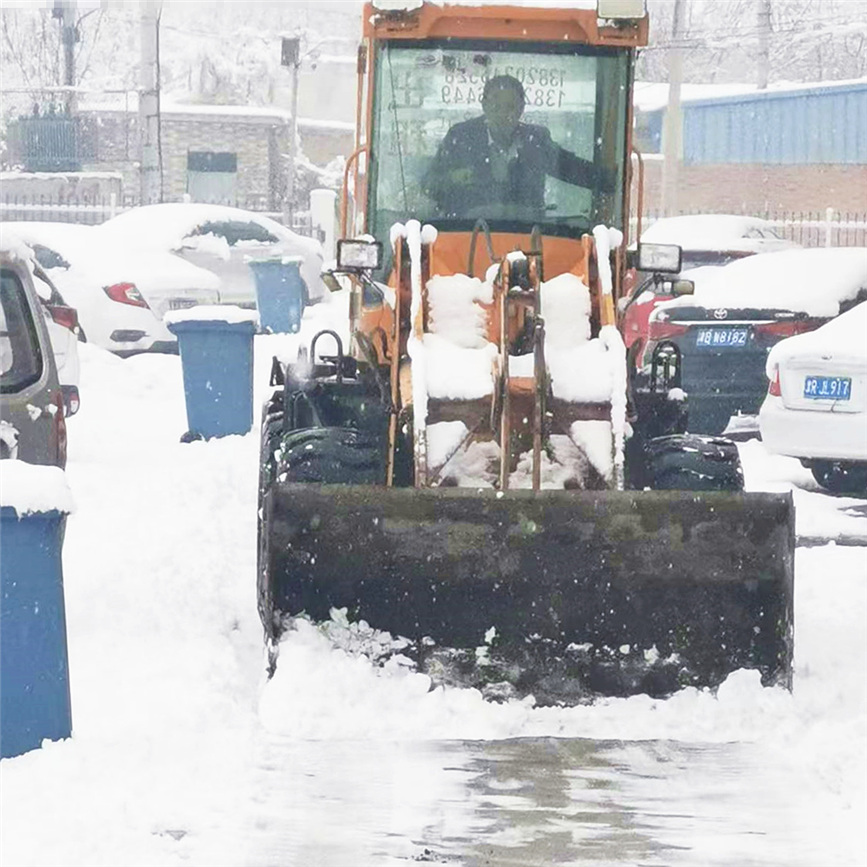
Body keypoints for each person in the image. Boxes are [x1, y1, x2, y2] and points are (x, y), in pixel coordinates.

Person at [424, 75, 612, 219]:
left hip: (531, 237)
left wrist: (612, 181)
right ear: (484, 106)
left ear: (522, 108)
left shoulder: (536, 141)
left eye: (510, 107)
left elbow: (569, 168)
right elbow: (428, 185)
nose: (503, 114)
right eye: (496, 107)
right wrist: (453, 178)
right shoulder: (461, 138)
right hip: (465, 237)